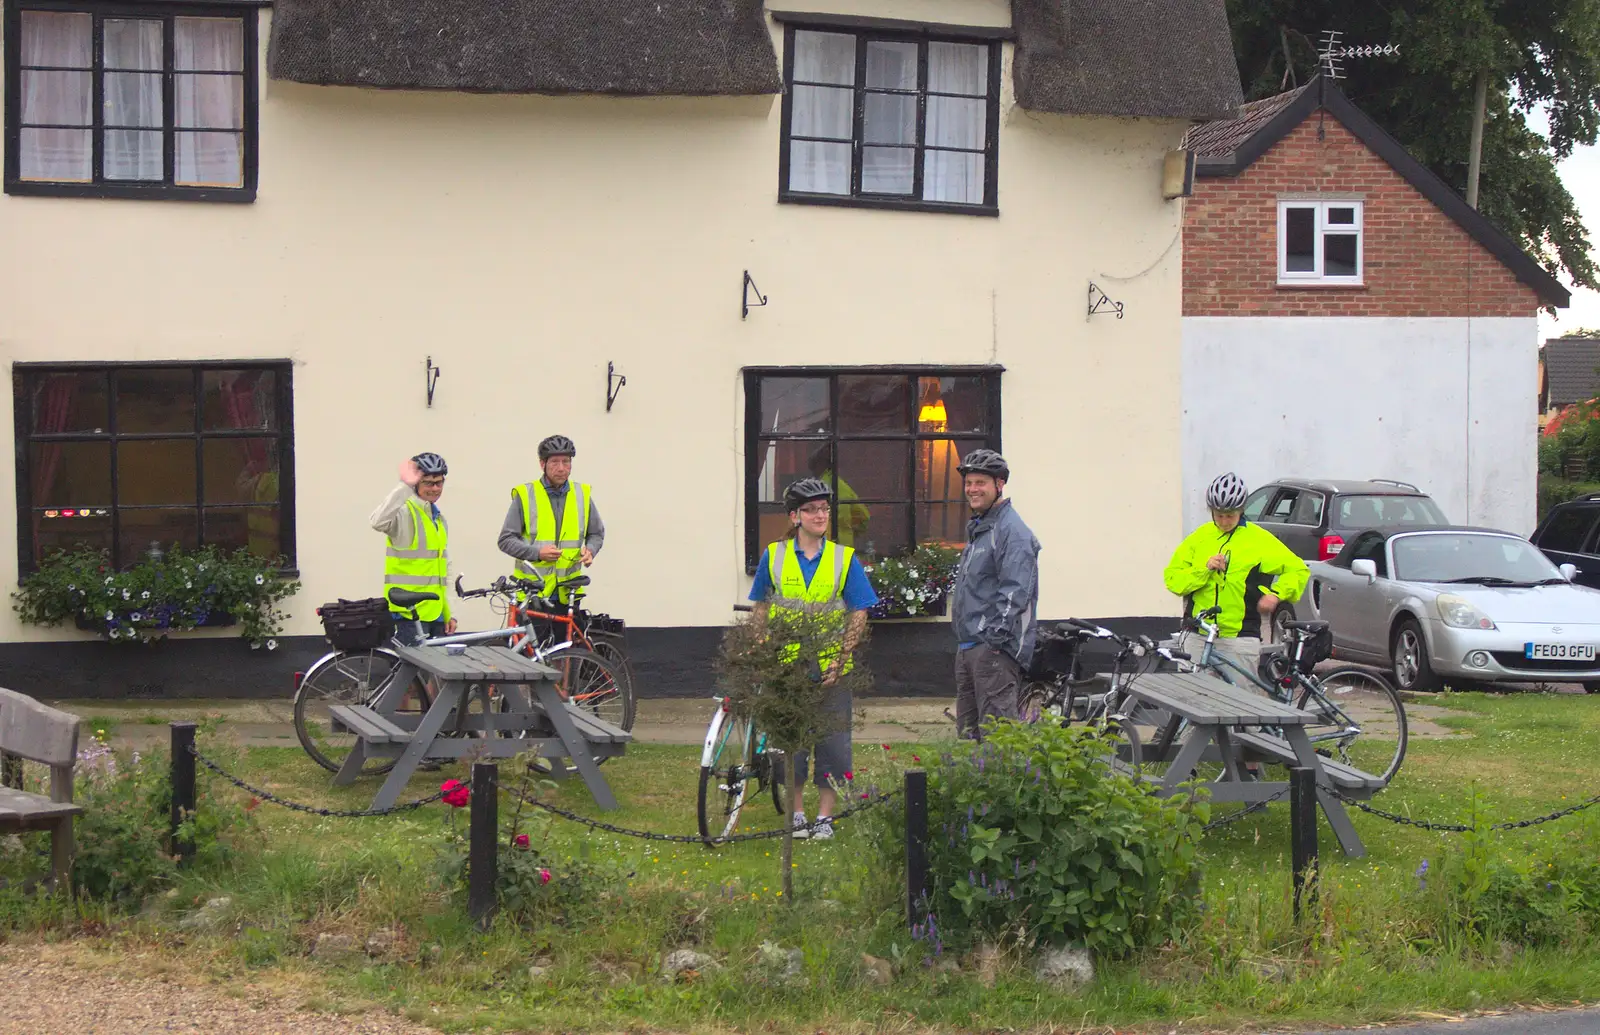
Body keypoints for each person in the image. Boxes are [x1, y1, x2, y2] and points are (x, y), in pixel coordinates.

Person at [749, 477, 879, 841]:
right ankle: (797, 813)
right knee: (789, 742)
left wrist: (842, 656)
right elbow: (761, 604)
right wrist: (761, 644)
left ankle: (824, 817)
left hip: (830, 667)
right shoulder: (773, 556)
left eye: (824, 509)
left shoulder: (843, 558)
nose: (821, 515)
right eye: (811, 509)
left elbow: (858, 612)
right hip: (786, 665)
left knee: (834, 743)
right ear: (795, 516)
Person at [1164, 472, 1309, 673]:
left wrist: (1276, 595)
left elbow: (1298, 569)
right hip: (1197, 634)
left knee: (1237, 701)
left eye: (1230, 515)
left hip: (1239, 638)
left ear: (1241, 511)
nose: (1224, 521)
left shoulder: (1258, 540)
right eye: (1218, 515)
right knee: (1191, 699)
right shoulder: (1199, 538)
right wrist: (1203, 570)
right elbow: (1173, 580)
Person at [949, 449, 1040, 742]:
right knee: (968, 738)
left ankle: (1006, 788)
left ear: (999, 484)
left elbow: (1015, 592)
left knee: (998, 741)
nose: (972, 490)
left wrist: (993, 642)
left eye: (980, 483)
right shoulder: (981, 528)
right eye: (969, 483)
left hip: (992, 652)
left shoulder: (1011, 531)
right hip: (969, 646)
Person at [498, 434, 605, 606]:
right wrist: (537, 553)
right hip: (533, 594)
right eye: (555, 462)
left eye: (566, 461)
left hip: (568, 593)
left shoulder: (581, 495)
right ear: (543, 464)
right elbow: (505, 540)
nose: (561, 468)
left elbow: (596, 533)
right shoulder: (525, 495)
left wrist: (591, 550)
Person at [370, 453, 456, 646]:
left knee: (438, 673)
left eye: (439, 483)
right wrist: (404, 487)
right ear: (416, 484)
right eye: (428, 483)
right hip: (409, 613)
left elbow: (445, 568)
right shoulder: (404, 512)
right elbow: (377, 522)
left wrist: (450, 612)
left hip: (437, 612)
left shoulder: (438, 519)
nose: (435, 488)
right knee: (408, 672)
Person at [807, 445, 871, 548]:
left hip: (822, 546)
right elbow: (864, 516)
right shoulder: (842, 485)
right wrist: (850, 531)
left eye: (813, 468)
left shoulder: (816, 488)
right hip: (845, 545)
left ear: (819, 465)